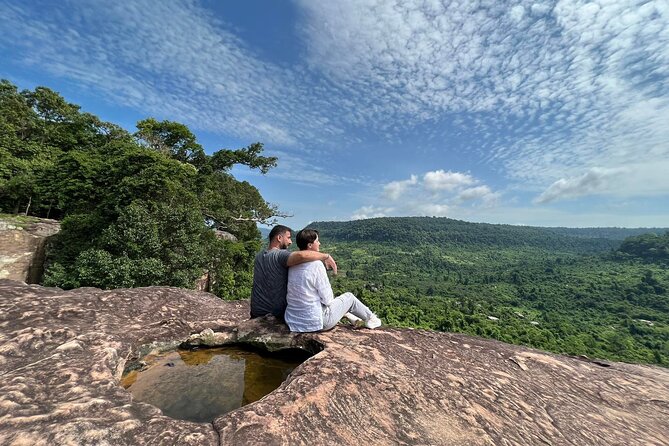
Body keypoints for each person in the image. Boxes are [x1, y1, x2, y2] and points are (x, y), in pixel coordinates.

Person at [284, 228, 382, 332]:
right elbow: (328, 300)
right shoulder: (316, 265)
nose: (319, 243)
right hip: (315, 322)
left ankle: (347, 315)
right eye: (317, 241)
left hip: (292, 320)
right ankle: (371, 319)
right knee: (350, 298)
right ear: (310, 245)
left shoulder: (292, 264)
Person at [250, 225, 337, 320]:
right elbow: (301, 256)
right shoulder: (280, 255)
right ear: (279, 238)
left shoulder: (259, 256)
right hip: (276, 314)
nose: (290, 242)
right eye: (288, 238)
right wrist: (326, 256)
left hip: (256, 312)